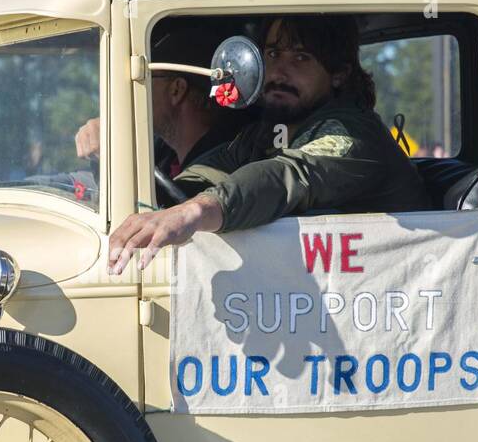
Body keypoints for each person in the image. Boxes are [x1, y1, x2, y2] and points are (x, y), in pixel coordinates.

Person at [108, 14, 428, 274]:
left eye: (301, 57)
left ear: (339, 74)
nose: (279, 71)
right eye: (273, 54)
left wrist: (194, 212)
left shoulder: (350, 134)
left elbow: (285, 176)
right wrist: (166, 202)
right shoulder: (269, 131)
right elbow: (215, 170)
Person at [73, 22, 246, 204]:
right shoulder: (164, 155)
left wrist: (115, 156)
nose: (137, 91)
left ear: (177, 90)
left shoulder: (224, 163)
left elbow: (169, 211)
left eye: (147, 79)